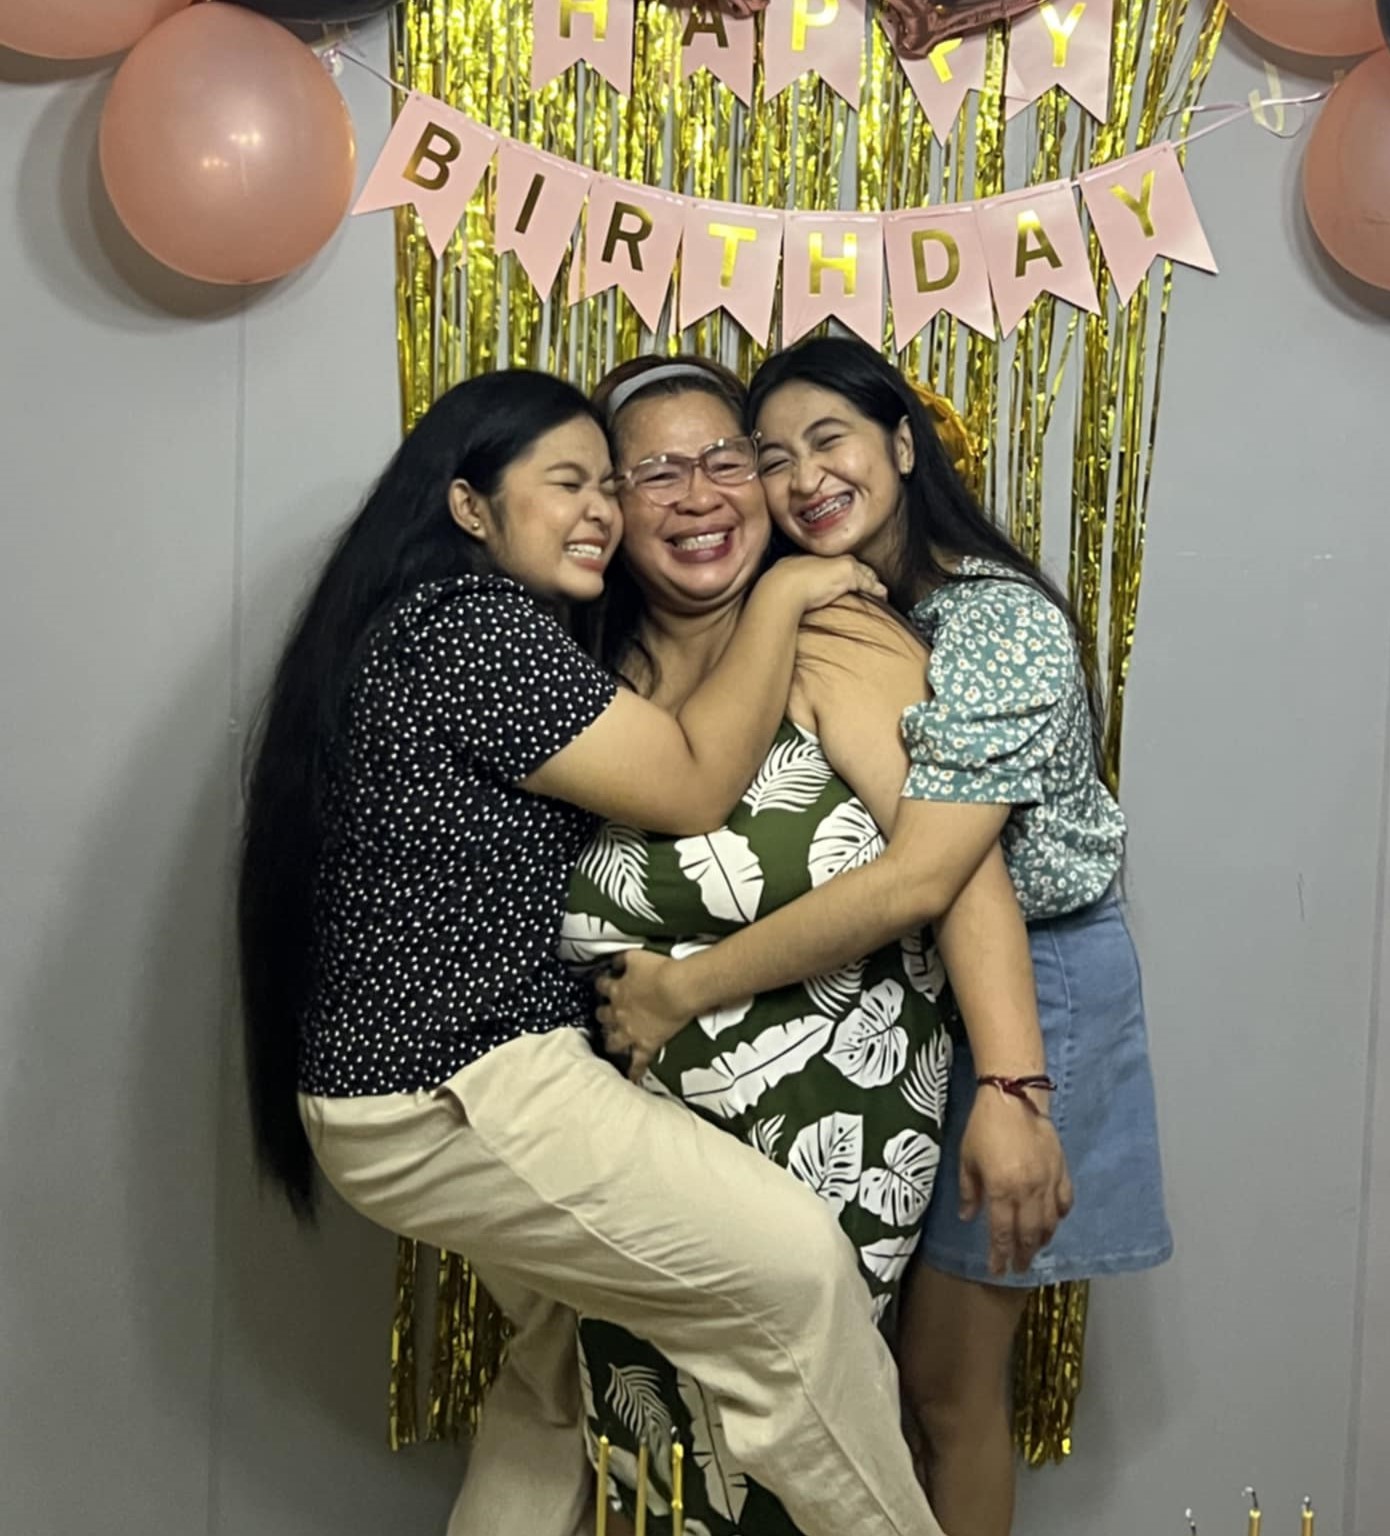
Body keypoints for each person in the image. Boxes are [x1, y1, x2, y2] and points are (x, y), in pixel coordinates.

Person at [236, 366, 949, 1536]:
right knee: (800, 1281)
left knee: (558, 1364)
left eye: (605, 488)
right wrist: (782, 595)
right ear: (470, 506)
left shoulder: (437, 623)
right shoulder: (473, 628)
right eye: (573, 483)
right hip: (461, 1090)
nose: (602, 513)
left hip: (406, 1094)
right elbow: (691, 783)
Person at [598, 337, 1171, 1536]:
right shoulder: (859, 602)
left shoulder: (988, 621)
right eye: (774, 457)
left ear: (904, 444)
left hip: (1036, 979)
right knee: (889, 1388)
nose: (804, 478)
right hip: (930, 982)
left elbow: (929, 876)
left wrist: (1014, 1087)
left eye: (831, 441)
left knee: (945, 1391)